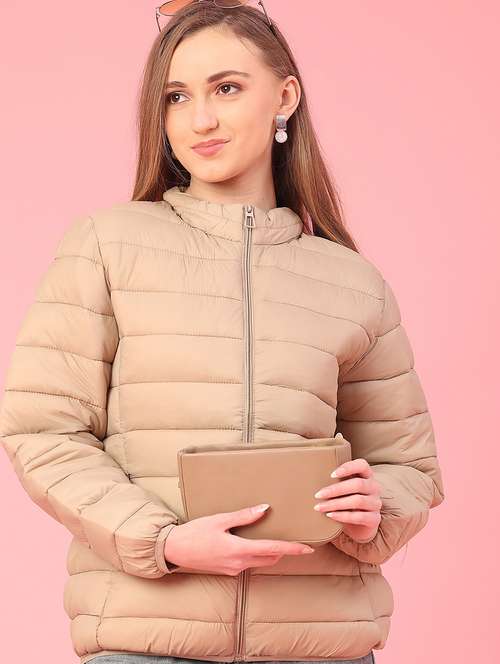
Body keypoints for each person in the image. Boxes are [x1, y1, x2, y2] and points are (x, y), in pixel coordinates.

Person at [0, 2, 445, 664]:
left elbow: (408, 465)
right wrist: (164, 541)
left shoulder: (355, 283)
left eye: (227, 88)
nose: (200, 120)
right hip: (146, 641)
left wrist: (375, 506)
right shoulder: (107, 246)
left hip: (321, 645)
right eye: (177, 97)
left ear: (285, 96)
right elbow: (43, 431)